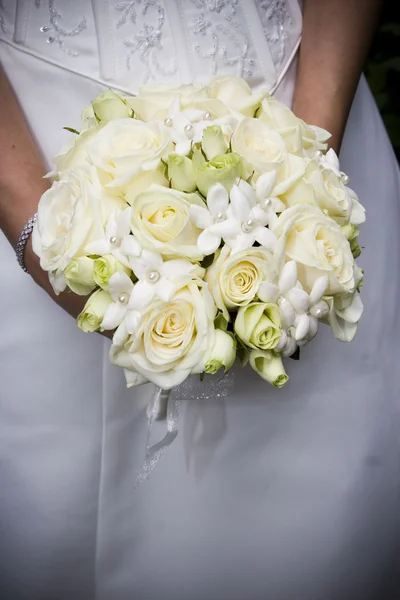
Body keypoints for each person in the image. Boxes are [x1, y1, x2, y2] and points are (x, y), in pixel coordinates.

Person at [1, 1, 399, 598]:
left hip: (302, 114)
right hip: (41, 155)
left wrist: (310, 171)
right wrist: (40, 235)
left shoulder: (311, 166)